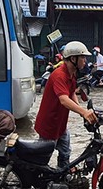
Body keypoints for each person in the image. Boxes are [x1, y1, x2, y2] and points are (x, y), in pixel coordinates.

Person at [34, 41, 98, 169]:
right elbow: (63, 99)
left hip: (60, 125)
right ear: (73, 59)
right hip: (49, 125)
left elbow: (71, 93)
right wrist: (83, 112)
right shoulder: (59, 75)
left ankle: (62, 179)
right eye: (83, 57)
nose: (85, 61)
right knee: (41, 162)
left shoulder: (71, 73)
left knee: (65, 153)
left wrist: (81, 110)